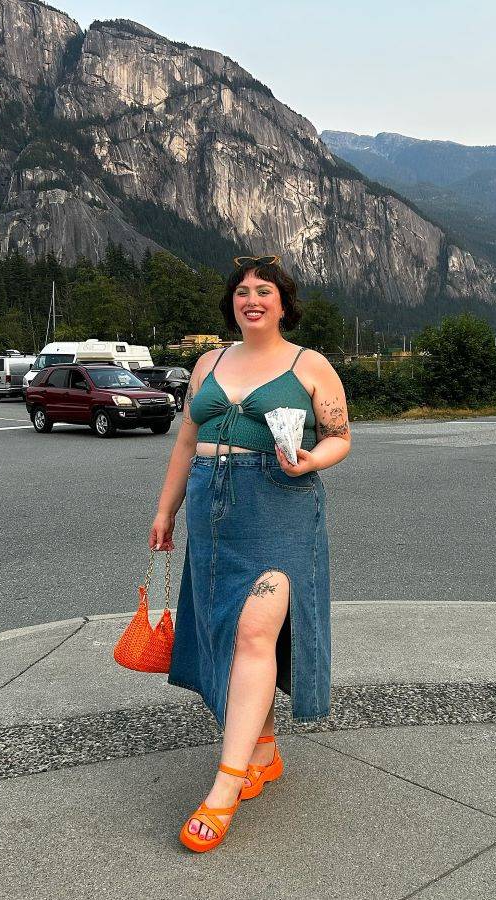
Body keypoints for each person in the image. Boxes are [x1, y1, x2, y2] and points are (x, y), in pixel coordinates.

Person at [149, 254, 351, 852]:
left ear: (284, 303)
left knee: (257, 628)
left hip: (281, 502)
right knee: (227, 631)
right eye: (242, 292)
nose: (252, 299)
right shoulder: (207, 363)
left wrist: (313, 459)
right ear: (231, 304)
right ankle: (262, 751)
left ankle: (224, 785)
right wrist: (166, 510)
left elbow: (340, 436)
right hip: (213, 509)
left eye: (265, 291)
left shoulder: (309, 365)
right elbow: (188, 438)